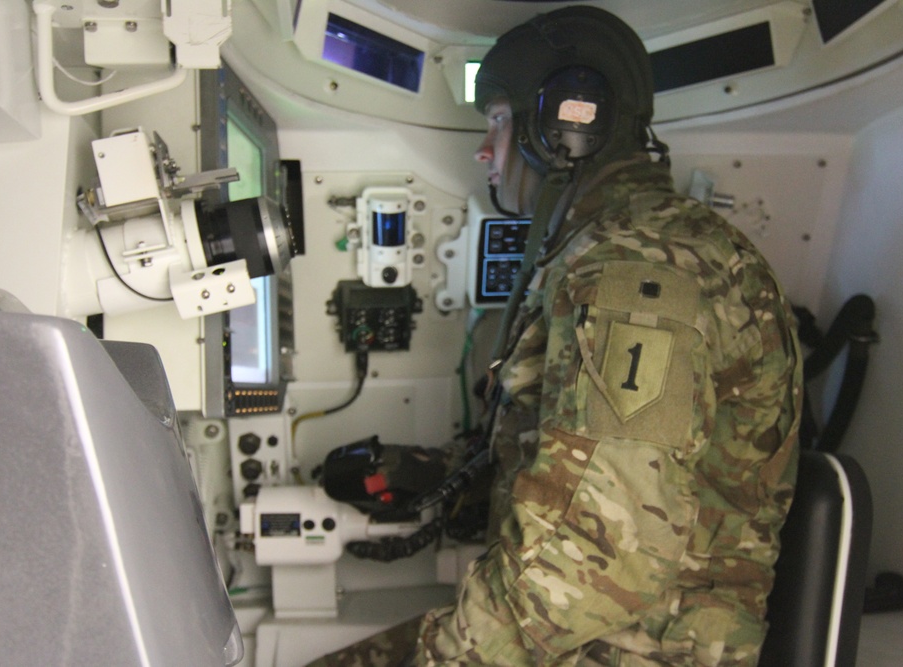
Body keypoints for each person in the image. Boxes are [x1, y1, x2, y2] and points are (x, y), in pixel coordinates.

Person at [310, 6, 802, 665]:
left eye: (497, 120)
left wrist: (436, 656)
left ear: (569, 124)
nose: (485, 149)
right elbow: (573, 462)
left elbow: (600, 565)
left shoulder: (638, 274)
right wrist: (423, 473)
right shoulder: (614, 248)